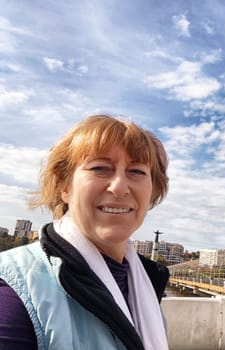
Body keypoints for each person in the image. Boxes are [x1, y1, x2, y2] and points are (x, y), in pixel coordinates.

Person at [0, 114, 170, 350]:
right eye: (100, 168)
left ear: (152, 190)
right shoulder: (14, 291)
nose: (120, 187)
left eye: (137, 171)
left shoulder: (147, 287)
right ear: (64, 187)